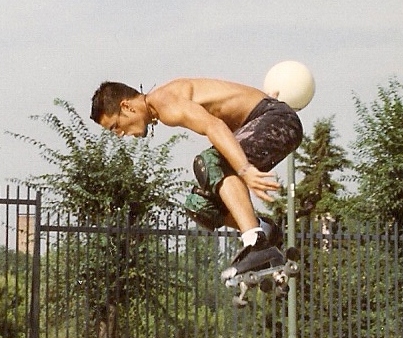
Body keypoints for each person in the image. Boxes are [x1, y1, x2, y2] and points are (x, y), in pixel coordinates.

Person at [90, 77, 303, 279]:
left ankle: (255, 242)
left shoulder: (162, 100)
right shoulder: (164, 103)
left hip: (278, 120)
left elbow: (214, 126)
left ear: (127, 107)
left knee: (209, 162)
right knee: (199, 205)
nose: (120, 134)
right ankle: (266, 232)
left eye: (116, 126)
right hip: (269, 121)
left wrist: (244, 169)